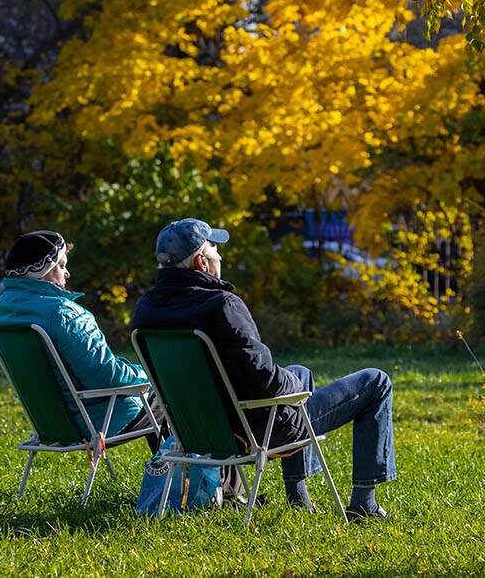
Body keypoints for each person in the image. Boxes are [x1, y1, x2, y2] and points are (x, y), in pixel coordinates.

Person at [131, 218, 395, 520]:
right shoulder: (221, 305)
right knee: (377, 381)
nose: (222, 256)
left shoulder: (146, 309)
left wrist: (292, 378)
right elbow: (267, 382)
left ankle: (299, 497)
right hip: (253, 432)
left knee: (299, 370)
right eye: (216, 249)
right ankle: (365, 502)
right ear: (201, 262)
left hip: (199, 432)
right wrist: (295, 387)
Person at [0, 230, 158, 449]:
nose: (66, 274)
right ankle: (170, 476)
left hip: (50, 424)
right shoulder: (64, 313)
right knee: (168, 395)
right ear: (43, 271)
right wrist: (147, 375)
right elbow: (106, 376)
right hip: (96, 423)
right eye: (61, 265)